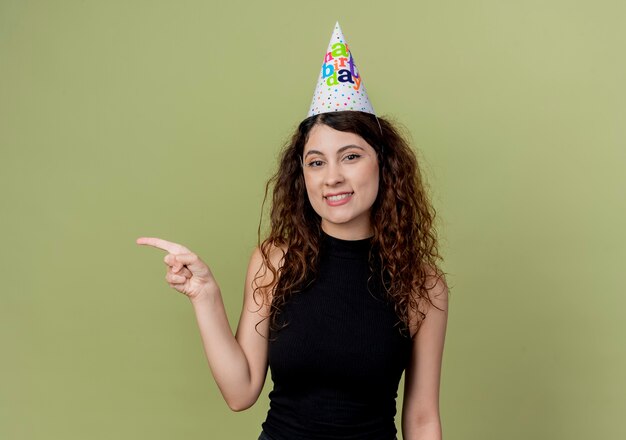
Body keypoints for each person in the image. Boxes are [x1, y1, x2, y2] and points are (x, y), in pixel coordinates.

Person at [136, 23, 448, 440]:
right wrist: (205, 296)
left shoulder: (421, 285)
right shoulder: (275, 262)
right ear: (302, 177)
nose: (332, 177)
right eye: (316, 162)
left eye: (350, 156)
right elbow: (240, 391)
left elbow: (422, 417)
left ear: (384, 165)